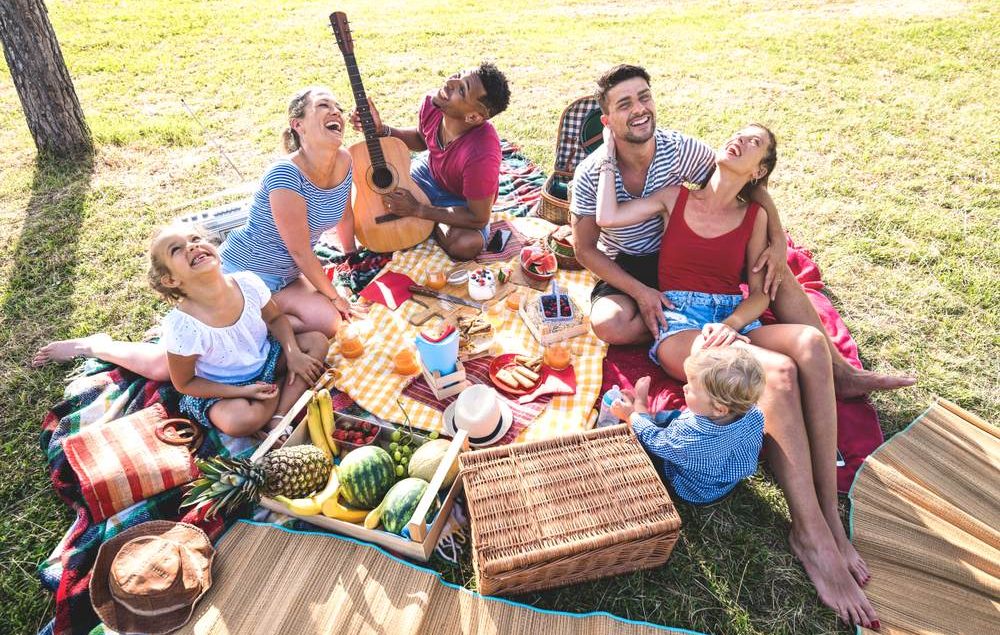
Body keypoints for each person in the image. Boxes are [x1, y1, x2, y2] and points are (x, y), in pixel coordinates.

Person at [595, 118, 879, 629]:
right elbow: (609, 216)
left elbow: (762, 295)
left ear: (759, 170)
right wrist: (611, 150)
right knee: (779, 373)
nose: (739, 140)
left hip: (728, 318)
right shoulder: (675, 196)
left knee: (810, 343)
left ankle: (829, 519)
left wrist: (730, 325)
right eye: (739, 133)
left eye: (754, 143)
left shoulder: (754, 218)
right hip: (680, 322)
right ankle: (811, 531)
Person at [571, 64, 915, 399]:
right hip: (631, 261)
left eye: (644, 97)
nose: (639, 109)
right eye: (625, 104)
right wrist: (640, 292)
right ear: (607, 121)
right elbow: (584, 249)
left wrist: (777, 241)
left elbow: (745, 181)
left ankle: (840, 371)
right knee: (608, 323)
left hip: (688, 251)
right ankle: (687, 330)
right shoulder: (590, 173)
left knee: (773, 269)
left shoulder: (680, 150)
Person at [33, 86, 355, 379]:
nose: (336, 112)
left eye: (338, 107)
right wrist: (335, 295)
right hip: (243, 271)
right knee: (165, 368)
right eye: (323, 105)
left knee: (330, 323)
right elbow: (300, 251)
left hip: (287, 278)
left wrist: (353, 256)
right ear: (298, 125)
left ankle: (249, 332)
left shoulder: (344, 160)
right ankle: (97, 346)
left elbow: (344, 212)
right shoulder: (285, 174)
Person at [148, 225, 327, 437]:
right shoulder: (183, 326)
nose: (192, 246)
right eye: (176, 249)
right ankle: (278, 394)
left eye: (195, 238)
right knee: (239, 422)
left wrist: (292, 353)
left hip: (267, 360)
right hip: (224, 388)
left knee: (317, 342)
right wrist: (242, 391)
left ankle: (278, 417)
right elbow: (185, 383)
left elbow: (276, 318)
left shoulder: (247, 283)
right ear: (171, 280)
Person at [349, 62, 511, 261]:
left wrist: (418, 209)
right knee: (379, 192)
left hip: (461, 200)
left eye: (462, 89)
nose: (450, 82)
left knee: (466, 245)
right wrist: (382, 130)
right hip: (428, 173)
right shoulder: (433, 103)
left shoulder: (482, 153)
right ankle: (434, 219)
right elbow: (421, 138)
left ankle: (431, 219)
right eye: (458, 74)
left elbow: (478, 217)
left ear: (472, 117)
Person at [610, 348, 766, 505]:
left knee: (645, 446)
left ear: (719, 409)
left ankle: (640, 408)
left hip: (691, 489)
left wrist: (630, 415)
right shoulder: (753, 413)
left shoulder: (690, 438)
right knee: (668, 419)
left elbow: (654, 440)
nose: (684, 387)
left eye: (691, 389)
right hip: (723, 481)